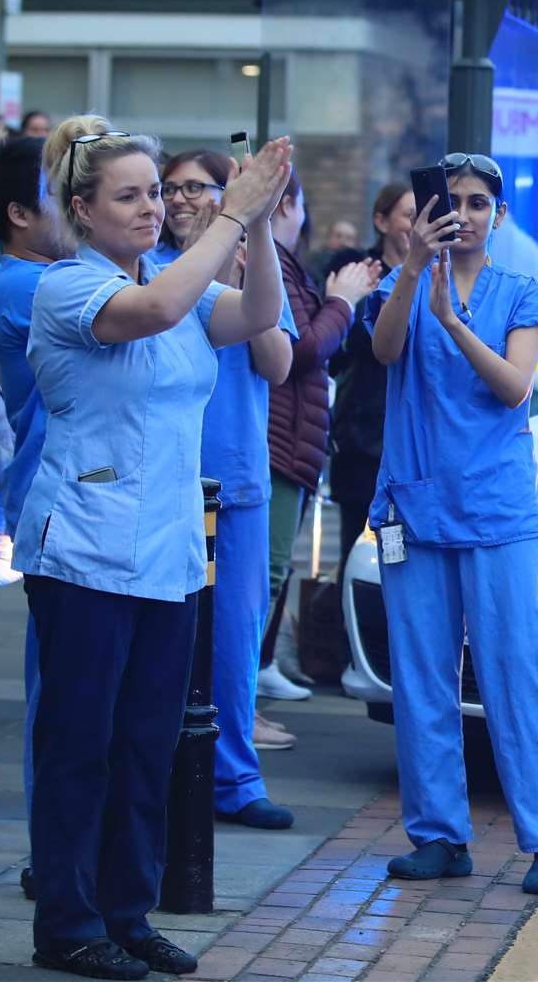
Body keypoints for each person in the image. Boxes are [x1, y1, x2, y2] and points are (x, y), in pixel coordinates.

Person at [16, 113, 290, 979]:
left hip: (168, 554)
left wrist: (263, 222)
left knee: (148, 744)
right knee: (80, 746)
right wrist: (229, 218)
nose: (147, 209)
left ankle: (128, 915)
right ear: (82, 210)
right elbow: (159, 307)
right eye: (129, 196)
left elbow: (259, 315)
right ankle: (67, 924)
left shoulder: (183, 279)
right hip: (86, 554)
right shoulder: (67, 288)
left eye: (151, 193)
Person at [368, 153, 538, 895]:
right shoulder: (406, 279)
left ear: (499, 215)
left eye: (478, 202)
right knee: (422, 679)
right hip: (414, 507)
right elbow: (383, 349)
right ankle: (438, 836)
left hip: (496, 511)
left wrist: (453, 322)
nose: (464, 213)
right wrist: (415, 270)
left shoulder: (519, 291)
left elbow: (515, 386)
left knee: (517, 671)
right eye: (450, 201)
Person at [156, 149, 302, 822]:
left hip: (237, 484)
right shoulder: (148, 272)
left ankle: (235, 783)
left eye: (200, 187)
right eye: (173, 187)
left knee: (234, 645)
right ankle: (158, 781)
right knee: (163, 641)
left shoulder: (254, 270)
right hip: (161, 485)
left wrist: (248, 261)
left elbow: (277, 365)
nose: (184, 199)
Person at [0, 134, 69, 898]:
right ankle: (51, 857)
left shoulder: (60, 276)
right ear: (18, 214)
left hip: (84, 510)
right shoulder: (23, 286)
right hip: (51, 515)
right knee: (57, 698)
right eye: (57, 189)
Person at [257, 173, 378, 702]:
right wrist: (343, 302)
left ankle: (245, 687)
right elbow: (304, 349)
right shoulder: (272, 265)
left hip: (293, 440)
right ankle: (235, 704)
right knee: (263, 574)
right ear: (290, 206)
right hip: (280, 442)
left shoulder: (281, 265)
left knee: (267, 573)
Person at [328, 180, 414, 572]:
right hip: (364, 436)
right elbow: (349, 345)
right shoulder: (358, 272)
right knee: (357, 548)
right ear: (381, 221)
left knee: (406, 556)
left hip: (415, 436)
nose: (417, 226)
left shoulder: (442, 275)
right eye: (408, 216)